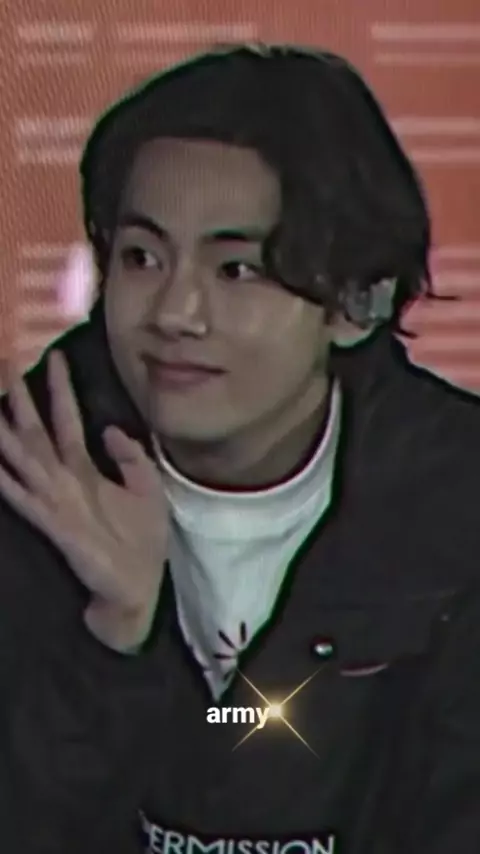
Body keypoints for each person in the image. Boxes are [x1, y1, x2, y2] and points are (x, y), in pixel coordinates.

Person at [1, 42, 480, 854]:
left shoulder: (459, 498)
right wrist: (113, 633)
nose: (174, 313)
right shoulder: (24, 472)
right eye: (142, 257)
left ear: (357, 304)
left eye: (236, 270)